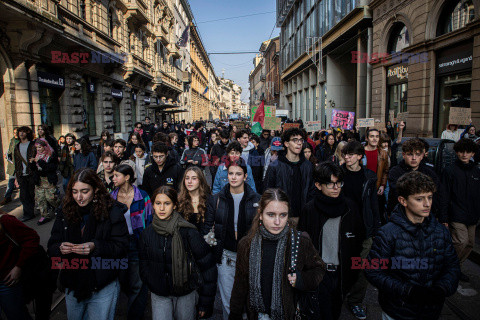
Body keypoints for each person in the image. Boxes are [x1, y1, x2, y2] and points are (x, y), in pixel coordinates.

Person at [366, 171, 460, 320]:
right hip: (398, 311)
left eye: (429, 197)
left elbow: (452, 266)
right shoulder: (388, 233)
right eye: (419, 199)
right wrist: (407, 291)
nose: (427, 204)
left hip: (431, 311)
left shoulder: (441, 231)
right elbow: (373, 272)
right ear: (403, 201)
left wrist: (442, 288)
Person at [229, 188, 326, 320]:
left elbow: (319, 268)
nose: (277, 222)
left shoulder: (300, 241)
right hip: (257, 315)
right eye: (271, 215)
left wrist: (302, 279)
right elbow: (240, 284)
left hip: (288, 314)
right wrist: (235, 314)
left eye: (282, 215)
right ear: (261, 214)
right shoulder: (246, 244)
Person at [47, 168, 129, 320]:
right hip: (73, 283)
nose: (79, 197)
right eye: (74, 191)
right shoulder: (65, 212)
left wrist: (95, 246)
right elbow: (52, 244)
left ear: (96, 189)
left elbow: (122, 246)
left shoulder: (112, 212)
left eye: (85, 191)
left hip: (102, 284)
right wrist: (60, 248)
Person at [139, 186, 217, 320]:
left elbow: (208, 267)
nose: (162, 208)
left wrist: (205, 303)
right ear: (153, 205)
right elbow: (144, 263)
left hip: (185, 293)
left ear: (175, 205)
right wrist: (152, 282)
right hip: (160, 294)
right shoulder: (147, 234)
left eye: (167, 203)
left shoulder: (188, 232)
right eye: (158, 203)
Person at [298, 162, 363, 320]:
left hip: (342, 274)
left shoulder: (350, 208)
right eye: (330, 183)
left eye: (338, 183)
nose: (336, 187)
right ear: (318, 185)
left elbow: (357, 242)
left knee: (335, 312)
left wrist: (352, 271)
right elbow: (302, 245)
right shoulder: (309, 210)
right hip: (319, 274)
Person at [203, 160, 261, 319]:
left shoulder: (257, 200)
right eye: (230, 173)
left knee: (249, 301)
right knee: (228, 302)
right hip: (225, 256)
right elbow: (207, 228)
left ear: (245, 176)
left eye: (238, 174)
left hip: (250, 257)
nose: (234, 177)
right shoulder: (216, 200)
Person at [341, 141, 381, 319]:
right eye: (345, 154)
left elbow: (373, 204)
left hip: (364, 227)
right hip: (342, 227)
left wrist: (375, 229)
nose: (347, 157)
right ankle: (339, 295)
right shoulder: (338, 174)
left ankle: (356, 301)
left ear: (359, 156)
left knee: (363, 267)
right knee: (341, 265)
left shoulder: (369, 177)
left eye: (350, 154)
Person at [111, 164, 153, 320]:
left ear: (127, 177)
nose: (113, 178)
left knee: (138, 284)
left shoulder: (142, 196)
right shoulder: (111, 197)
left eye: (116, 175)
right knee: (122, 281)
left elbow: (149, 221)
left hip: (137, 244)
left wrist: (147, 245)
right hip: (118, 244)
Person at [442, 138, 480, 282]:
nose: (464, 155)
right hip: (456, 213)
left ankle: (456, 268)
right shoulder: (450, 170)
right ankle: (449, 267)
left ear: (473, 153)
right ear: (457, 152)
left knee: (470, 243)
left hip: (472, 215)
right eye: (461, 151)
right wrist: (444, 217)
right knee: (460, 242)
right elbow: (444, 194)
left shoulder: (476, 171)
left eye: (468, 152)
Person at [387, 138, 446, 221]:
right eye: (410, 154)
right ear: (403, 155)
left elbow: (439, 195)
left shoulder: (430, 173)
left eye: (417, 154)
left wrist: (441, 216)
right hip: (401, 215)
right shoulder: (395, 172)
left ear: (422, 156)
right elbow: (397, 193)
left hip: (426, 217)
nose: (414, 158)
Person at [264, 128, 316, 221]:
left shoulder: (308, 166)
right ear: (286, 143)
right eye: (295, 140)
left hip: (303, 217)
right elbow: (268, 192)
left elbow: (312, 191)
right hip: (281, 218)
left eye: (301, 140)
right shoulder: (275, 166)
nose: (299, 143)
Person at [0, 211, 41, 320]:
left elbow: (32, 238)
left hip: (6, 281)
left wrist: (19, 266)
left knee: (17, 315)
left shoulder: (5, 220)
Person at [32, 138, 59, 225]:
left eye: (40, 147)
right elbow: (33, 169)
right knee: (40, 199)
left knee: (51, 198)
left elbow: (51, 168)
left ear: (45, 147)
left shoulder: (51, 155)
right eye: (36, 148)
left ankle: (60, 208)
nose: (38, 149)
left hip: (49, 180)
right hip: (39, 180)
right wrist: (32, 163)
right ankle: (44, 215)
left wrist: (39, 161)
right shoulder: (36, 155)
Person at [14, 126, 37, 222]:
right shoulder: (17, 146)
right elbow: (16, 162)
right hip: (21, 174)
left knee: (32, 194)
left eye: (23, 132)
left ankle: (31, 211)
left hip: (31, 173)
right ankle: (28, 214)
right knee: (23, 195)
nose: (21, 134)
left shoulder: (33, 145)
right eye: (20, 132)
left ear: (28, 133)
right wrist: (16, 177)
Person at [363, 129, 389, 196]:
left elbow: (385, 171)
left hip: (376, 188)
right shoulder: (360, 152)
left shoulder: (383, 153)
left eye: (377, 136)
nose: (375, 139)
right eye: (372, 136)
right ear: (367, 138)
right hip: (363, 187)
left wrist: (382, 185)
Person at [1, 128, 19, 205]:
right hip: (12, 164)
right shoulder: (12, 140)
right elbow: (10, 151)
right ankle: (7, 197)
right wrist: (7, 155)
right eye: (14, 132)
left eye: (16, 132)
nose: (15, 134)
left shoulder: (21, 141)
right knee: (11, 181)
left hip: (20, 164)